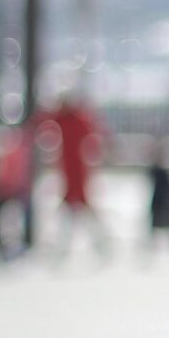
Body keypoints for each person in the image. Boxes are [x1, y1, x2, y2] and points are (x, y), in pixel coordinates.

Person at [44, 88, 112, 260]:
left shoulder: (78, 119)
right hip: (68, 170)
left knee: (79, 208)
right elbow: (44, 120)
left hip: (77, 171)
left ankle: (99, 243)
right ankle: (97, 243)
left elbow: (96, 132)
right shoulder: (64, 118)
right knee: (75, 210)